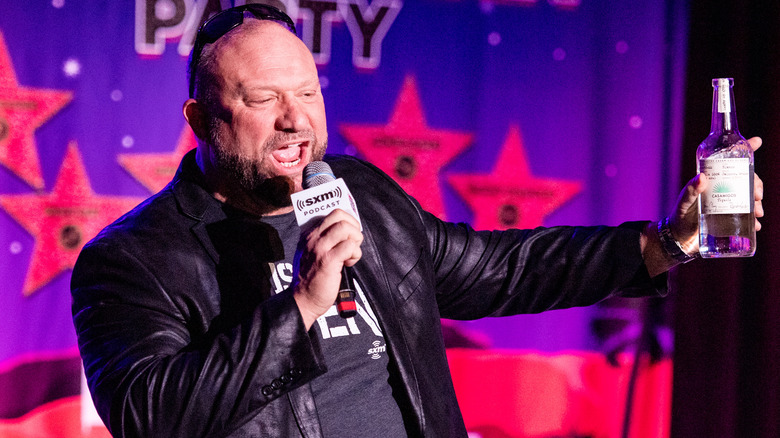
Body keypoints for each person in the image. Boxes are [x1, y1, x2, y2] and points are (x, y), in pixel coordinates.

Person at [70, 4, 764, 438]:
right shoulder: (132, 260)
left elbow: (497, 272)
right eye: (263, 99)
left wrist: (667, 242)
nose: (295, 119)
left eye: (307, 93)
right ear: (200, 119)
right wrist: (302, 304)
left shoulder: (357, 189)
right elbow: (152, 416)